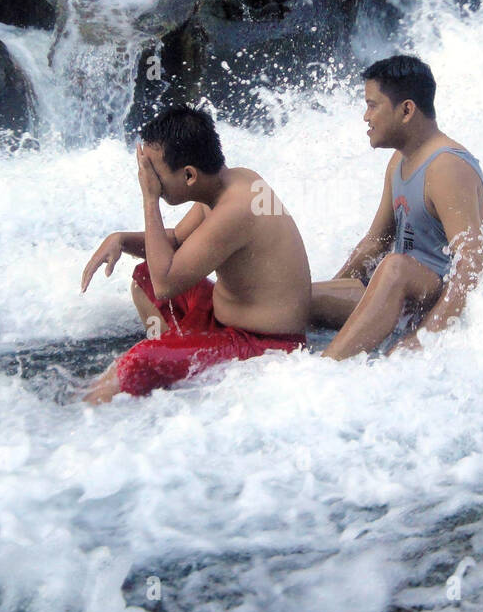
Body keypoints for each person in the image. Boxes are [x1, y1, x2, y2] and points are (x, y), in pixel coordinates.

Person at [81, 105, 312, 403]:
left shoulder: (237, 209)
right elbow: (177, 240)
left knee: (138, 361)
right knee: (143, 277)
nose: (150, 181)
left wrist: (150, 200)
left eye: (155, 175)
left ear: (189, 175)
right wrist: (121, 240)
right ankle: (174, 360)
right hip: (227, 323)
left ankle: (86, 413)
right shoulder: (230, 182)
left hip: (266, 346)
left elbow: (166, 285)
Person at [312, 55, 483, 359]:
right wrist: (331, 293)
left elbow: (473, 263)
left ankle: (323, 370)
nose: (365, 116)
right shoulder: (399, 160)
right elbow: (375, 243)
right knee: (302, 299)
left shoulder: (446, 167)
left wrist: (425, 337)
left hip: (433, 299)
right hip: (396, 294)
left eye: (372, 105)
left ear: (407, 110)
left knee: (395, 266)